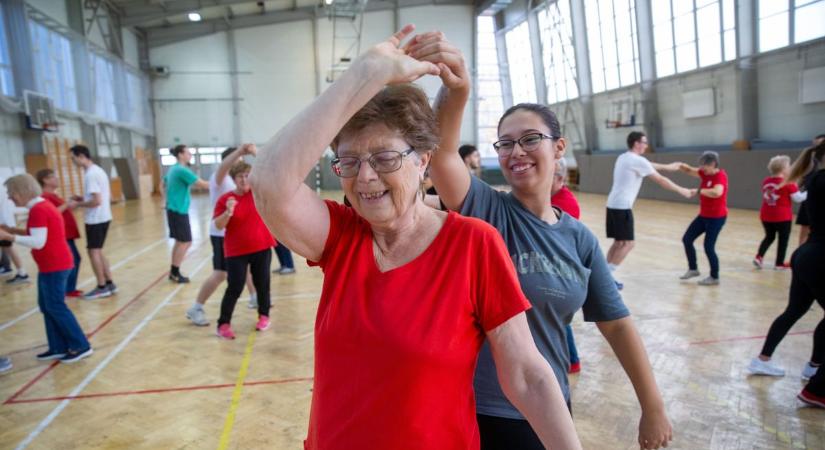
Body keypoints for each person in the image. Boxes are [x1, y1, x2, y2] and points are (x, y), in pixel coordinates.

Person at [249, 26, 580, 449]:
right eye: (349, 162)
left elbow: (526, 374)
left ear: (423, 161)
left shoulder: (473, 244)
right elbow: (270, 183)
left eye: (384, 157)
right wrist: (364, 74)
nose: (365, 176)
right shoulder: (342, 237)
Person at [417, 31, 671, 450]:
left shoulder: (580, 240)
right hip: (472, 410)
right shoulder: (485, 208)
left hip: (544, 409)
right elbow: (443, 154)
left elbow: (618, 324)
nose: (516, 151)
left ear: (558, 147)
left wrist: (653, 404)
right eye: (506, 143)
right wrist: (457, 88)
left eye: (530, 139)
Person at [747, 140, 825, 399]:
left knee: (794, 310)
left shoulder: (812, 181)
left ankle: (768, 359)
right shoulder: (816, 181)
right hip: (818, 255)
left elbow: (803, 213)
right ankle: (816, 383)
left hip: (806, 254)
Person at [0, 174, 92, 363]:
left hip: (55, 265)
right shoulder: (40, 207)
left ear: (21, 192)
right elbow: (37, 232)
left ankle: (81, 345)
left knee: (55, 306)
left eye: (11, 193)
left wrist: (9, 237)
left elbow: (38, 241)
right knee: (47, 306)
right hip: (50, 265)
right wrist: (12, 230)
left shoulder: (39, 210)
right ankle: (58, 346)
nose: (9, 197)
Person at [604, 132, 692, 289]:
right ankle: (606, 278)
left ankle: (603, 274)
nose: (646, 145)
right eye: (644, 142)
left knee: (619, 243)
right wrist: (682, 190)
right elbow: (660, 179)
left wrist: (668, 167)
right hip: (622, 206)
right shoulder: (637, 160)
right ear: (636, 143)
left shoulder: (624, 157)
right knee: (628, 243)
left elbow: (647, 164)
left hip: (613, 204)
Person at [186, 145, 258, 326]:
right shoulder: (219, 177)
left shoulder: (241, 180)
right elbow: (225, 166)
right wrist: (241, 151)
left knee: (247, 268)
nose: (241, 168)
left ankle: (255, 297)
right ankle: (196, 307)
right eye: (238, 162)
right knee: (220, 274)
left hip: (237, 232)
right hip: (221, 233)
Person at [213, 162, 275, 339]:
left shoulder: (259, 194)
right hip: (236, 250)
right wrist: (228, 212)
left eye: (247, 175)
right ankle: (223, 324)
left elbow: (273, 178)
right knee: (235, 286)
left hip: (262, 246)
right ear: (234, 179)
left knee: (263, 284)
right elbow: (218, 225)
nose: (244, 179)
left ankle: (264, 316)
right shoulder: (225, 199)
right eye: (240, 176)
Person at [68, 145, 115, 299]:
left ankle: (101, 286)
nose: (73, 162)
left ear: (81, 156)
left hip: (95, 219)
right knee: (98, 250)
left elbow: (96, 201)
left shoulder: (90, 175)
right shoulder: (97, 170)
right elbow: (97, 198)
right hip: (103, 216)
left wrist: (77, 204)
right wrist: (82, 199)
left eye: (73, 158)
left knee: (93, 251)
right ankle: (109, 283)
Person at [551, 157, 582, 374]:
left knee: (558, 318)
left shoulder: (564, 203)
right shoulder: (552, 197)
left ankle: (572, 360)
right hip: (554, 267)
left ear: (560, 179)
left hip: (560, 271)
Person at [678, 152, 727, 286]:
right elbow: (689, 170)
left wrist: (699, 191)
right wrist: (680, 165)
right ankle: (693, 269)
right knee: (687, 239)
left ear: (712, 164)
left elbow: (717, 192)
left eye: (704, 165)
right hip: (703, 216)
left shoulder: (720, 176)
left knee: (708, 247)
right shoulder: (704, 173)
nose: (701, 168)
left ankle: (714, 276)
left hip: (716, 218)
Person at [163, 145, 210, 283]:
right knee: (186, 242)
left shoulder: (173, 169)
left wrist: (166, 199)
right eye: (188, 153)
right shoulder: (181, 170)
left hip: (174, 209)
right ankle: (175, 272)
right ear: (180, 155)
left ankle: (174, 272)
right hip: (178, 210)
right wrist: (221, 180)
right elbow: (203, 185)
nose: (190, 155)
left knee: (180, 241)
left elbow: (163, 183)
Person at [35, 169, 84, 297]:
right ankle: (67, 288)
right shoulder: (44, 196)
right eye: (52, 177)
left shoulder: (53, 195)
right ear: (45, 180)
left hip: (67, 232)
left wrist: (70, 201)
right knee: (73, 260)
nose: (56, 179)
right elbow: (53, 212)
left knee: (75, 259)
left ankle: (68, 288)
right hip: (63, 234)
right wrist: (67, 204)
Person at [753, 155, 806, 270]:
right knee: (783, 240)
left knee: (769, 237)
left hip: (766, 215)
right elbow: (798, 198)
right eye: (788, 166)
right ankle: (779, 264)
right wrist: (810, 191)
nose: (790, 168)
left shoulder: (766, 181)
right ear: (783, 169)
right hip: (782, 217)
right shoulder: (788, 183)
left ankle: (759, 256)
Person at [795, 134, 825, 247]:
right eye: (815, 144)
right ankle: (800, 251)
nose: (816, 147)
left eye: (819, 144)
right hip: (811, 199)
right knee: (805, 228)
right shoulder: (810, 162)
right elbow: (800, 179)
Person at [0, 197, 29, 285]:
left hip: (3, 224)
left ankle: (22, 273)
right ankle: (21, 272)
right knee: (8, 248)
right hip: (5, 223)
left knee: (9, 247)